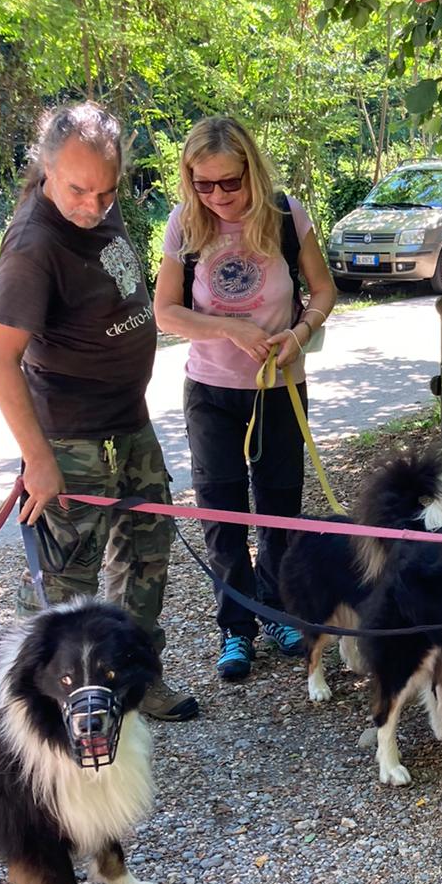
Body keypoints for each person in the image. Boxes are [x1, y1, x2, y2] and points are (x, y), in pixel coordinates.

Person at [0, 101, 199, 722]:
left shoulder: (101, 203)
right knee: (65, 587)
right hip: (73, 440)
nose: (94, 205)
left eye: (106, 191)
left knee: (145, 558)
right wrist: (39, 461)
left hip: (130, 424)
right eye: (79, 189)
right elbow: (0, 361)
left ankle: (133, 677)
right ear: (46, 167)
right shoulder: (33, 245)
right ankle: (42, 712)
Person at [153, 115, 338, 684]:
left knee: (280, 508)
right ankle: (236, 625)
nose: (217, 197)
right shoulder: (185, 223)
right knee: (223, 514)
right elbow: (166, 311)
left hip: (280, 388)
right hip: (211, 391)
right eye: (202, 184)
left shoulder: (286, 214)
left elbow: (324, 290)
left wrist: (299, 334)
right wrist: (228, 330)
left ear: (252, 172)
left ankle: (279, 610)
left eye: (229, 183)